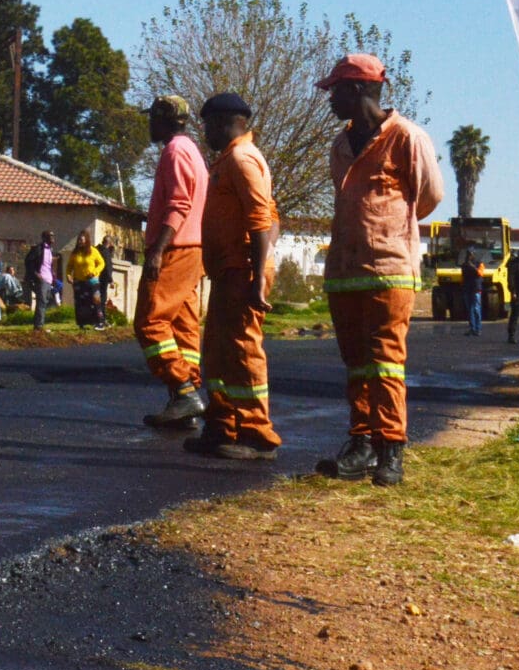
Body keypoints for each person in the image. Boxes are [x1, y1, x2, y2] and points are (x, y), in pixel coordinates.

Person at [312, 53, 443, 488]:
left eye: (335, 91)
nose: (330, 100)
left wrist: (389, 228)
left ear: (358, 90)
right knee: (356, 364)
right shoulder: (339, 145)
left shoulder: (406, 137)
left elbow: (429, 196)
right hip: (345, 271)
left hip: (389, 269)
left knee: (386, 362)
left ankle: (391, 448)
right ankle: (361, 444)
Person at [183, 92, 282, 460]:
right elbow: (271, 214)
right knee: (218, 353)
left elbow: (263, 218)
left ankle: (256, 435)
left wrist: (258, 276)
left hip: (243, 272)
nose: (205, 132)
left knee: (242, 350)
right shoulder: (227, 161)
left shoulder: (242, 159)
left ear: (226, 122)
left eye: (208, 124)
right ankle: (223, 426)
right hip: (230, 272)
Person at [135, 96, 208, 430]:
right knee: (183, 325)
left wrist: (157, 250)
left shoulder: (175, 152)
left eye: (152, 117)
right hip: (193, 248)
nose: (149, 123)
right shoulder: (192, 150)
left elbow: (179, 203)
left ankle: (184, 392)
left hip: (175, 248)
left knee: (150, 322)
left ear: (164, 118)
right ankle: (184, 402)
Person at [67, 230, 108, 327]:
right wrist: (68, 275)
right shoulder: (75, 253)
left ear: (86, 240)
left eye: (81, 240)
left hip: (92, 281)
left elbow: (102, 263)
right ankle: (82, 323)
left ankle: (100, 322)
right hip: (78, 282)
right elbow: (69, 266)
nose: (80, 242)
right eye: (78, 240)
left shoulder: (93, 251)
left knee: (96, 301)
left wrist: (95, 272)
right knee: (81, 303)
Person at [30, 230, 60, 329]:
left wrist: (53, 276)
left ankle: (41, 323)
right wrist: (35, 274)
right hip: (41, 278)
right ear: (44, 238)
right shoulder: (38, 249)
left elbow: (49, 265)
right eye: (50, 236)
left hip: (49, 279)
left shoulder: (50, 250)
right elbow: (28, 261)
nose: (52, 238)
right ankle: (38, 325)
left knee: (47, 301)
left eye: (53, 236)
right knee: (41, 301)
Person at [460, 251, 485, 337]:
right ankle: (472, 328)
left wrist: (472, 267)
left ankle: (478, 329)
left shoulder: (480, 263)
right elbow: (462, 277)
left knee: (476, 309)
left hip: (476, 289)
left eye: (470, 254)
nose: (469, 256)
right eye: (468, 254)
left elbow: (480, 273)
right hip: (467, 289)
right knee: (470, 310)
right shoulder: (464, 265)